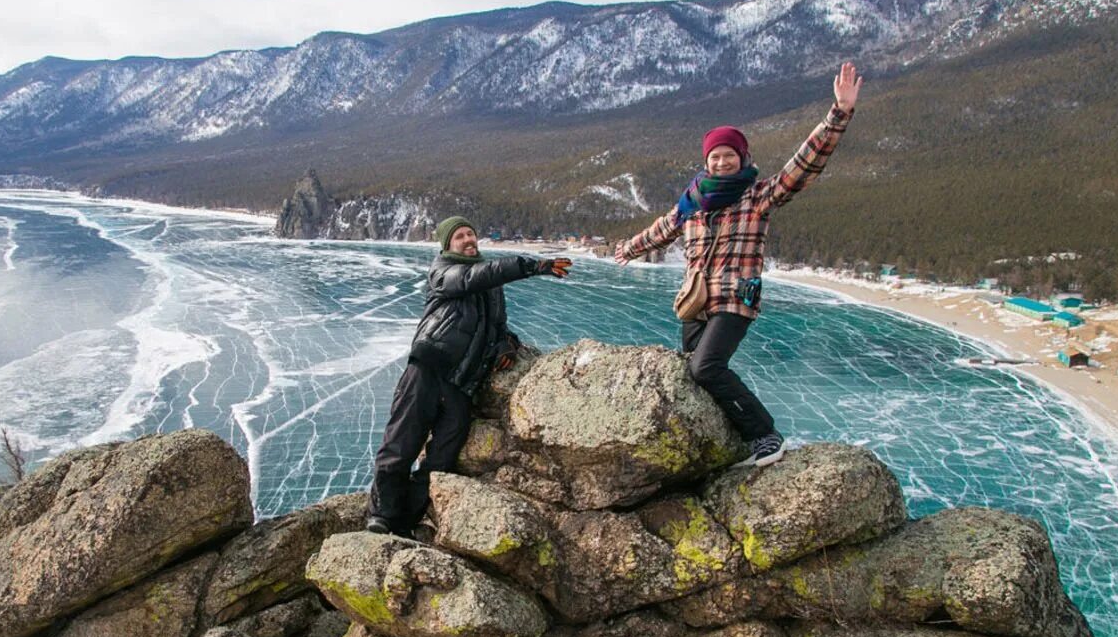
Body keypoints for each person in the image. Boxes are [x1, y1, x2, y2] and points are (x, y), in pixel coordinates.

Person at [614, 62, 864, 467]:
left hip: (735, 299)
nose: (722, 162)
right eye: (715, 156)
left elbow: (804, 165)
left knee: (706, 368)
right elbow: (663, 228)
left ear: (742, 157)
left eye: (729, 155)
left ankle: (765, 435)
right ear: (706, 161)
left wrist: (839, 113)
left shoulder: (758, 196)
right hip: (695, 301)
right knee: (693, 375)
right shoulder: (693, 202)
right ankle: (723, 440)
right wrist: (630, 248)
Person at [367, 216, 572, 536]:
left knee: (442, 462)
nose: (468, 239)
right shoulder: (443, 272)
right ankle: (382, 515)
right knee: (400, 446)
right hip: (428, 371)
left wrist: (506, 345)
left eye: (471, 233)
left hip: (463, 387)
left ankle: (407, 519)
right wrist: (531, 266)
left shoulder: (490, 287)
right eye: (460, 236)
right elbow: (471, 279)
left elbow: (497, 326)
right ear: (448, 245)